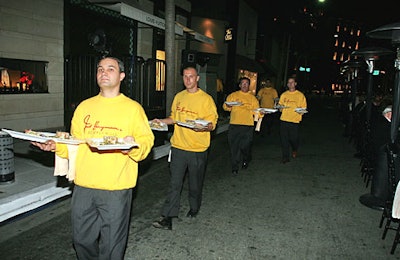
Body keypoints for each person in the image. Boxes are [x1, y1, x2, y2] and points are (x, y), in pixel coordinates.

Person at [31, 57, 155, 259]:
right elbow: (75, 145)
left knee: (112, 245)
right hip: (84, 186)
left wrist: (131, 147)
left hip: (116, 188)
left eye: (110, 69)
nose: (103, 72)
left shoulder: (133, 109)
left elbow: (145, 144)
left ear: (122, 76)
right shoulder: (84, 107)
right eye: (100, 69)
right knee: (81, 240)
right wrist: (55, 146)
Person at [151, 66, 218, 230]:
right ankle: (167, 217)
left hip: (197, 149)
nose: (188, 79)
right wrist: (160, 121)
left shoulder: (206, 99)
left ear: (197, 79)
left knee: (195, 183)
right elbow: (174, 118)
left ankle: (194, 207)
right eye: (185, 76)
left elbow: (212, 124)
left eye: (191, 76)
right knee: (175, 184)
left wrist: (203, 128)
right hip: (178, 147)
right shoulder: (179, 97)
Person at [223, 77, 260, 175]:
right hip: (234, 124)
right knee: (234, 147)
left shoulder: (252, 98)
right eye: (242, 83)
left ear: (249, 85)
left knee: (245, 146)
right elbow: (225, 107)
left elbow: (257, 111)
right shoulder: (233, 95)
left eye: (246, 83)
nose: (244, 85)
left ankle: (246, 158)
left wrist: (261, 113)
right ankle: (234, 167)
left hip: (248, 126)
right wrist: (229, 106)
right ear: (239, 85)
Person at [278, 76, 307, 164]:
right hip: (284, 119)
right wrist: (280, 107)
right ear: (287, 84)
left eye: (292, 82)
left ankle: (294, 148)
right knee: (284, 140)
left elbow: (304, 108)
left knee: (293, 139)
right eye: (289, 82)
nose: (290, 84)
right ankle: (285, 157)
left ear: (295, 84)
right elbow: (280, 106)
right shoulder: (284, 95)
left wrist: (300, 111)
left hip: (294, 121)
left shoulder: (300, 95)